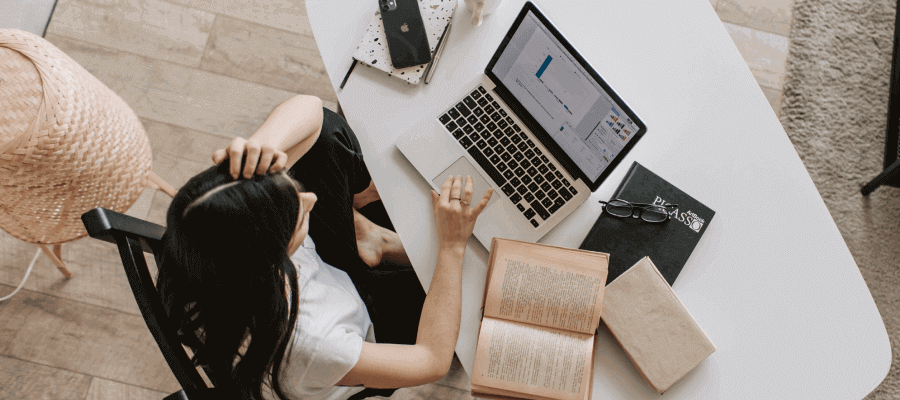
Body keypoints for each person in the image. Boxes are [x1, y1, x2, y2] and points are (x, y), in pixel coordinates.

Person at [156, 94, 493, 400]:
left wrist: (262, 145)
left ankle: (369, 239)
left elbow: (313, 111)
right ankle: (376, 239)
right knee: (477, 293)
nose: (310, 199)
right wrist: (451, 246)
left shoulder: (203, 233)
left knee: (328, 135)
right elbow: (430, 361)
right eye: (299, 215)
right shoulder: (316, 343)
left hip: (322, 280)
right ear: (273, 258)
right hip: (368, 328)